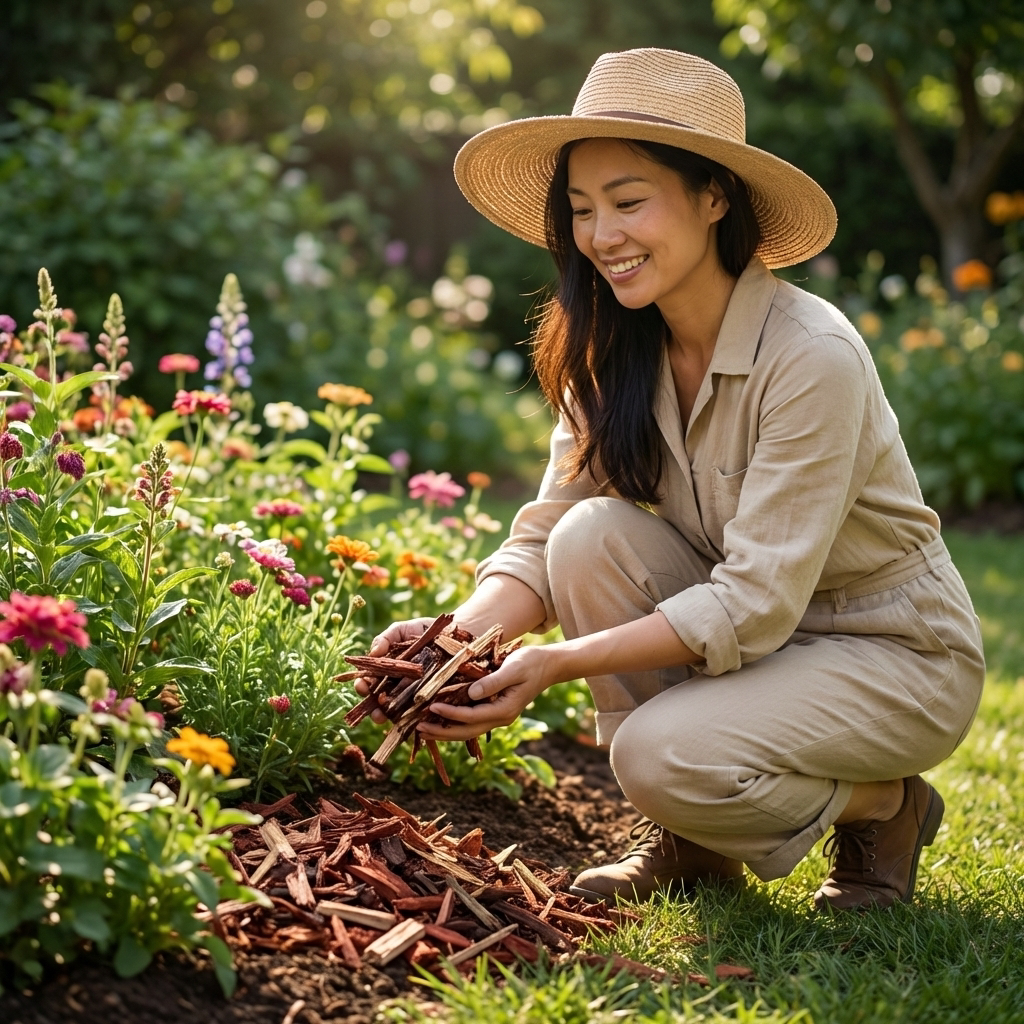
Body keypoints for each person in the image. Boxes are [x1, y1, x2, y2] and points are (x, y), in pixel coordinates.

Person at [359, 48, 985, 912]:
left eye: (628, 201)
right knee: (590, 538)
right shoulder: (613, 344)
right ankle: (694, 842)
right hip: (758, 640)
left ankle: (888, 804)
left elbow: (757, 602)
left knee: (656, 756)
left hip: (886, 650)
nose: (600, 236)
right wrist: (453, 642)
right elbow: (547, 535)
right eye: (581, 210)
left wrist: (558, 663)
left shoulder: (812, 356)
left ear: (713, 197)